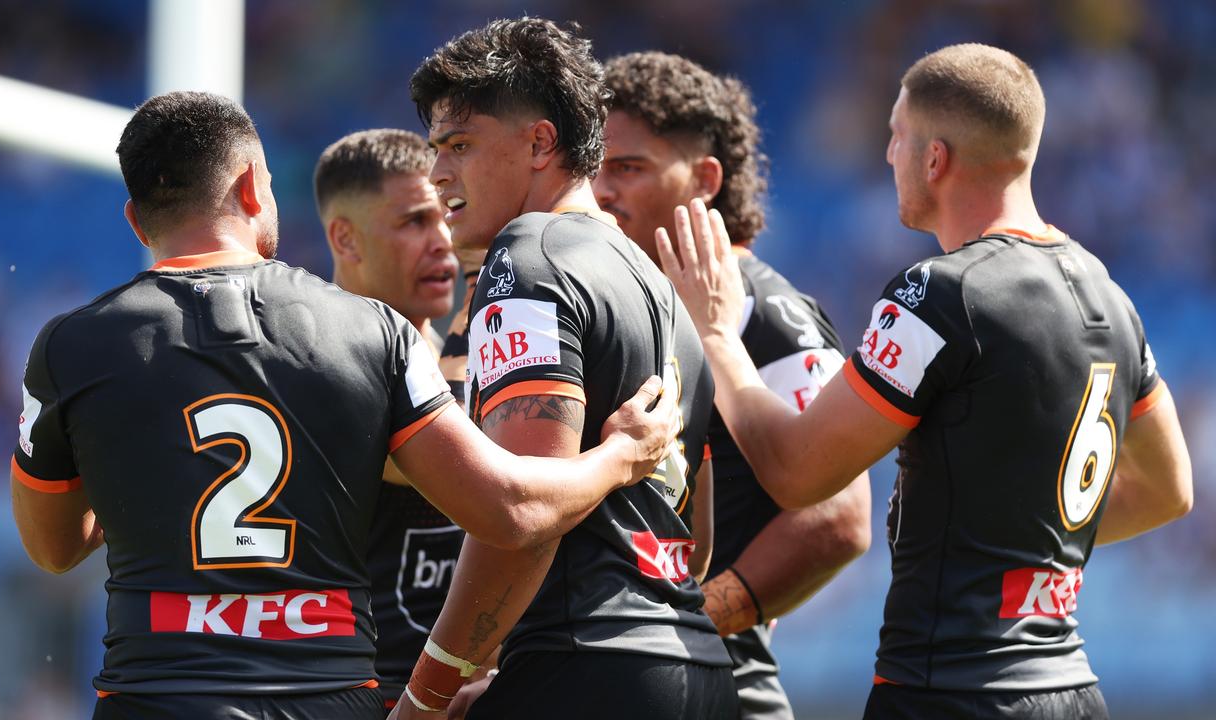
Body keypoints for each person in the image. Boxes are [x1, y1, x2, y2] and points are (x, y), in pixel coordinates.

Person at [9, 90, 678, 720]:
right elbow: (511, 509)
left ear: (134, 218)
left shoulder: (71, 348)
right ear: (250, 187)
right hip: (327, 697)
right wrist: (622, 454)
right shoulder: (372, 332)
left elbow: (54, 546)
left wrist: (142, 475)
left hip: (154, 696)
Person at [659, 43, 1193, 720]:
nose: (887, 156)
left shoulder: (939, 296)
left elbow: (796, 473)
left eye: (896, 136)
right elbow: (1169, 492)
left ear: (934, 158)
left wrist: (712, 332)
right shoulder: (1106, 293)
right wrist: (1022, 545)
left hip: (952, 689)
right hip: (1074, 689)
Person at [392, 17, 738, 720]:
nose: (436, 174)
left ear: (540, 142)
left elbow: (520, 516)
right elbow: (693, 542)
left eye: (459, 145)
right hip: (692, 665)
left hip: (588, 662)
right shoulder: (662, 288)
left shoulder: (528, 259)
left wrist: (426, 696)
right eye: (435, 149)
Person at [595, 51, 871, 720]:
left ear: (706, 179)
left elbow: (839, 516)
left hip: (719, 689)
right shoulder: (642, 304)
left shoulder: (759, 308)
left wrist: (690, 621)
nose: (602, 192)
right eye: (595, 168)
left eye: (629, 168)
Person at [313, 128, 465, 711]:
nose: (443, 242)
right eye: (414, 223)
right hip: (362, 698)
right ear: (345, 239)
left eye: (448, 215)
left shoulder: (472, 353)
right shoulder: (324, 356)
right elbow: (457, 459)